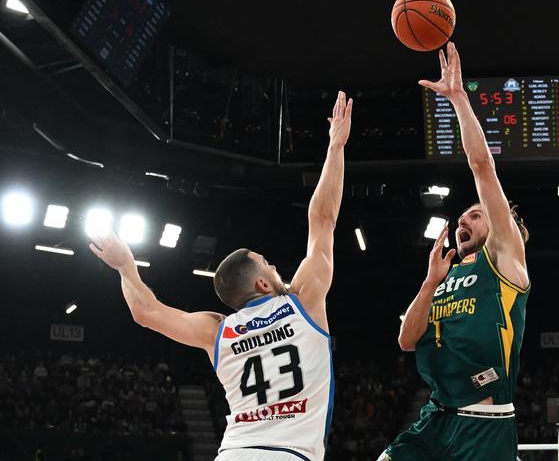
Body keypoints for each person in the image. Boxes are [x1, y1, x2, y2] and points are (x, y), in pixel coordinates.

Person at [89, 91, 353, 461]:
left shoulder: (218, 330)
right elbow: (323, 220)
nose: (275, 267)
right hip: (290, 454)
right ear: (261, 283)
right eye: (267, 264)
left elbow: (145, 313)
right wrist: (335, 147)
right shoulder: (302, 301)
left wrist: (125, 266)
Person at [379, 42, 530, 461]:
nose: (463, 220)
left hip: (485, 423)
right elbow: (406, 341)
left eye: (476, 215)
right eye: (462, 215)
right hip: (436, 415)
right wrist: (429, 283)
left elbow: (482, 166)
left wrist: (459, 100)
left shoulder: (504, 260)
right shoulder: (443, 275)